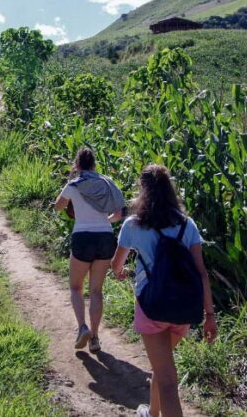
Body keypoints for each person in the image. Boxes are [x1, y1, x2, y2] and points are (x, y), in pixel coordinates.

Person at [110, 165, 218, 417]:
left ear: (143, 191)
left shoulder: (133, 225)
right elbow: (201, 273)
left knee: (168, 380)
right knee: (163, 368)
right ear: (170, 190)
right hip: (183, 308)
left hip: (152, 307)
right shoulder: (186, 225)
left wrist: (120, 272)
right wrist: (210, 315)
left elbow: (116, 264)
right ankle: (151, 412)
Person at [55, 148, 126, 353]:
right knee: (96, 291)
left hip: (82, 237)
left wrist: (69, 179)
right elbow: (120, 212)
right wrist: (106, 220)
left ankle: (82, 328)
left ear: (77, 165)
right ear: (94, 165)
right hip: (105, 237)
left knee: (76, 287)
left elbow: (58, 207)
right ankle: (95, 338)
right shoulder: (107, 182)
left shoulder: (73, 185)